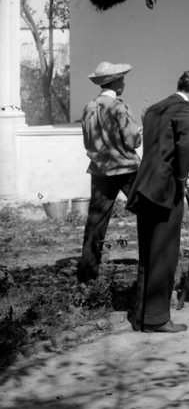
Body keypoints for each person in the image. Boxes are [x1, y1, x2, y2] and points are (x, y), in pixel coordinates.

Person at [125, 70, 189, 334]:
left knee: (147, 253)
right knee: (165, 253)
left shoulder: (154, 109)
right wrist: (183, 177)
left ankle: (141, 316)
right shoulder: (187, 110)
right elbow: (188, 146)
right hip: (165, 189)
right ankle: (158, 319)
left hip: (144, 186)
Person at [76, 61, 142, 283]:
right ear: (115, 82)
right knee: (150, 213)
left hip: (100, 170)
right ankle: (150, 265)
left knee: (96, 222)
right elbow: (133, 140)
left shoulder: (89, 107)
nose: (123, 83)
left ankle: (87, 277)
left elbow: (88, 141)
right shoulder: (119, 107)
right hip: (126, 168)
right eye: (121, 79)